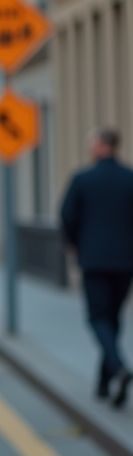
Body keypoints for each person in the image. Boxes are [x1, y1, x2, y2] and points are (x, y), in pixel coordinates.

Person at [61, 127, 133, 408]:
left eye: (92, 142)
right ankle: (105, 384)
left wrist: (74, 243)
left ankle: (118, 368)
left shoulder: (83, 179)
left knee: (98, 319)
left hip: (94, 259)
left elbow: (67, 215)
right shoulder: (130, 179)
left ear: (101, 145)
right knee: (113, 318)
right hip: (126, 261)